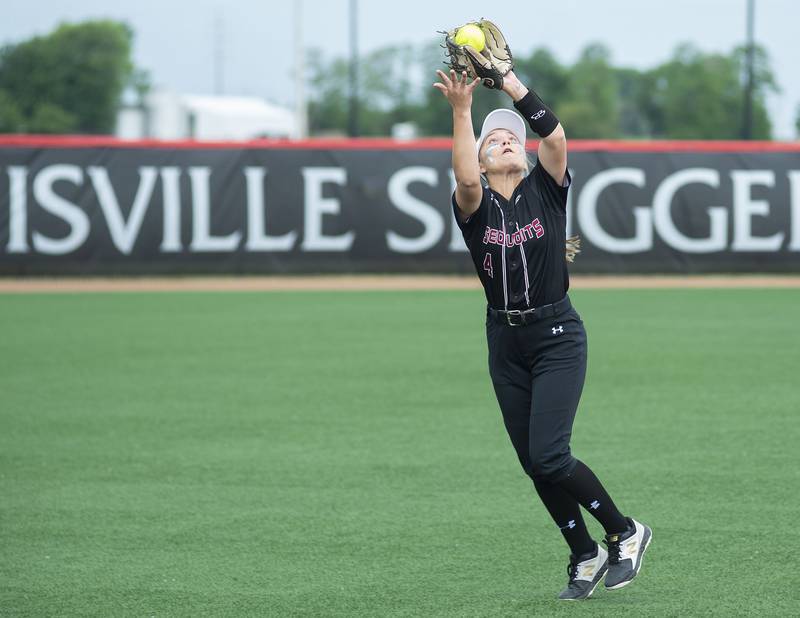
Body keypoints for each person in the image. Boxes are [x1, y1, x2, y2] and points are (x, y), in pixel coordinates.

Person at [433, 67, 652, 601]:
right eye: (494, 140)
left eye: (512, 137)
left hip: (557, 335)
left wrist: (508, 82)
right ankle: (584, 555)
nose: (506, 140)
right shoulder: (476, 207)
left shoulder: (547, 192)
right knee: (534, 463)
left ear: (524, 154)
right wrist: (463, 111)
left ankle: (625, 531)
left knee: (551, 455)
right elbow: (462, 181)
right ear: (483, 160)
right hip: (504, 343)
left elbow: (553, 136)